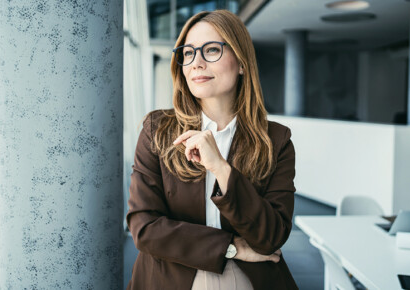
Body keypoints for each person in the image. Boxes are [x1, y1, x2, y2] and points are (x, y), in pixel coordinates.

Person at [126, 9, 297, 290]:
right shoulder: (157, 129)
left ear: (242, 63)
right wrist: (231, 247)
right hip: (169, 279)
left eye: (212, 50)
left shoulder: (275, 139)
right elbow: (144, 227)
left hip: (251, 281)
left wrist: (221, 167)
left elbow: (272, 237)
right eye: (189, 53)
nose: (197, 63)